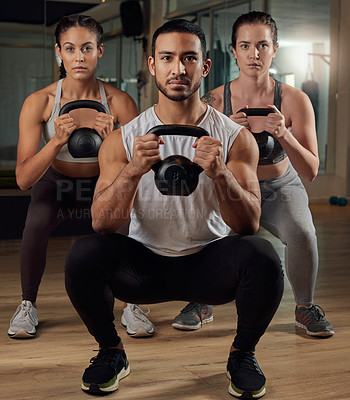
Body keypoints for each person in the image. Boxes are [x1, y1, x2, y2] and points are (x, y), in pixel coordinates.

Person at [64, 19, 284, 398]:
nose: (178, 69)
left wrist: (219, 174)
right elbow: (102, 222)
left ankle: (242, 355)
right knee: (83, 254)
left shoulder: (235, 138)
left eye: (188, 58)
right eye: (167, 58)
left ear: (205, 66)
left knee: (263, 255)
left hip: (209, 268)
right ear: (152, 65)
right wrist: (134, 170)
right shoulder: (123, 138)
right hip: (142, 268)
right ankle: (111, 351)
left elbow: (248, 223)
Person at [7, 14, 144, 339]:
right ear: (59, 52)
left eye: (86, 48)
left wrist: (114, 139)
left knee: (129, 220)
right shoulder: (40, 102)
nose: (79, 57)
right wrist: (55, 141)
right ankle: (27, 304)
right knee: (36, 220)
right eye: (70, 49)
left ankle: (130, 304)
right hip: (57, 184)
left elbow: (140, 167)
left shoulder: (119, 102)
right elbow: (24, 179)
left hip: (103, 182)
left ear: (99, 51)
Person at [202, 11, 334, 337]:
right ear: (233, 51)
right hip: (233, 185)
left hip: (280, 186)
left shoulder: (295, 100)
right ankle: (199, 300)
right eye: (245, 46)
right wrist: (228, 134)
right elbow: (198, 164)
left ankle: (304, 307)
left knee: (303, 234)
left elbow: (311, 170)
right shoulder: (214, 101)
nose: (254, 54)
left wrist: (285, 136)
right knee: (203, 233)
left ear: (274, 48)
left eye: (262, 45)